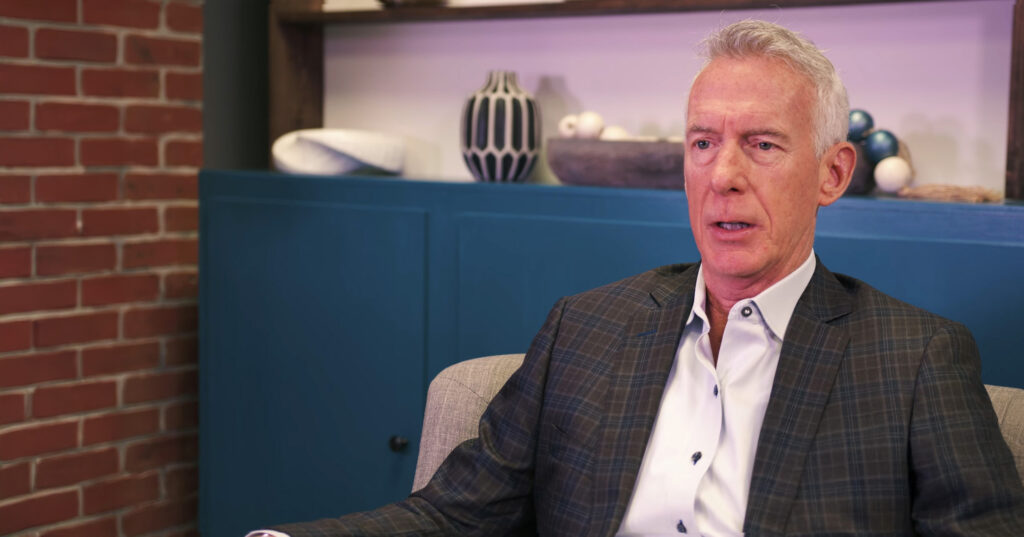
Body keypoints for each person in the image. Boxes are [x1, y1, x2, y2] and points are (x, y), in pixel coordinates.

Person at [251, 20, 1024, 536]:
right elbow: (454, 516)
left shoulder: (917, 359)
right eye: (702, 143)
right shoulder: (584, 328)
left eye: (761, 144)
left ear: (833, 172)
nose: (722, 176)